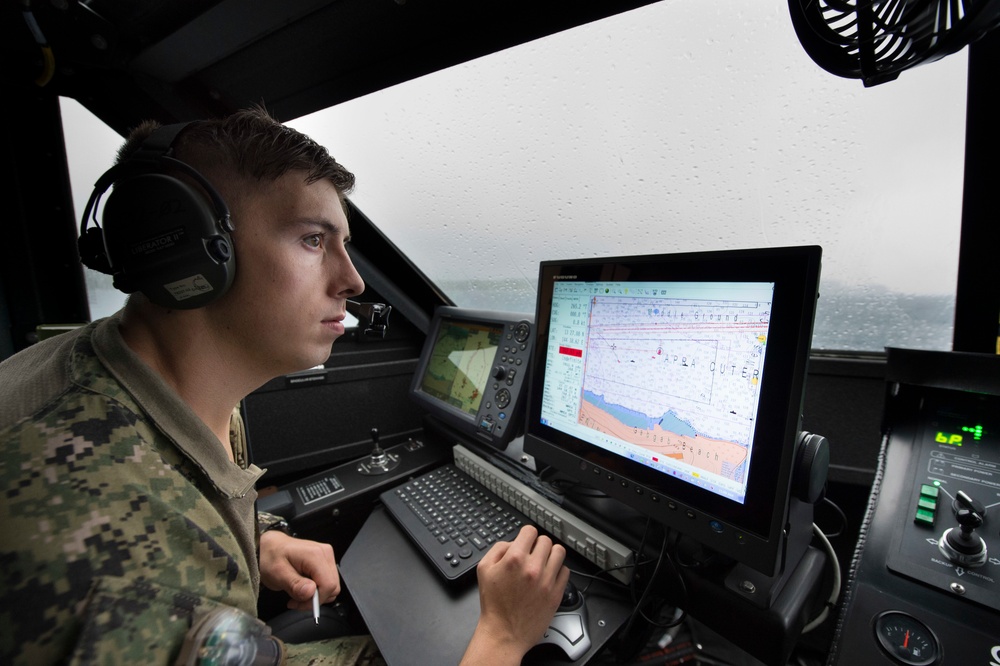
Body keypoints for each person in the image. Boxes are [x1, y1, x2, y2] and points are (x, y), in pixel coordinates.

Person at [0, 107, 569, 665]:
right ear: (188, 249)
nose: (352, 281)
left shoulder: (142, 382)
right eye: (313, 240)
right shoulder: (109, 516)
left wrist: (257, 542)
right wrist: (501, 637)